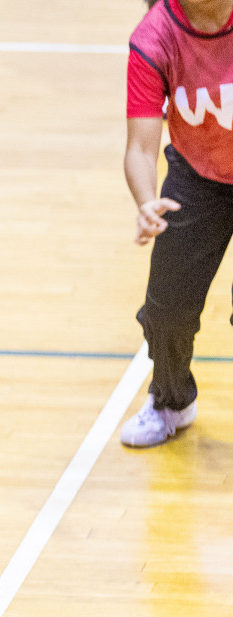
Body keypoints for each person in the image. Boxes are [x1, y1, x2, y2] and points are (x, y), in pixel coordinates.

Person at [121, 0, 231, 446]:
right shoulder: (153, 40)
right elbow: (140, 148)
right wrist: (147, 201)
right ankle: (171, 402)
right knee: (166, 311)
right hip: (196, 178)